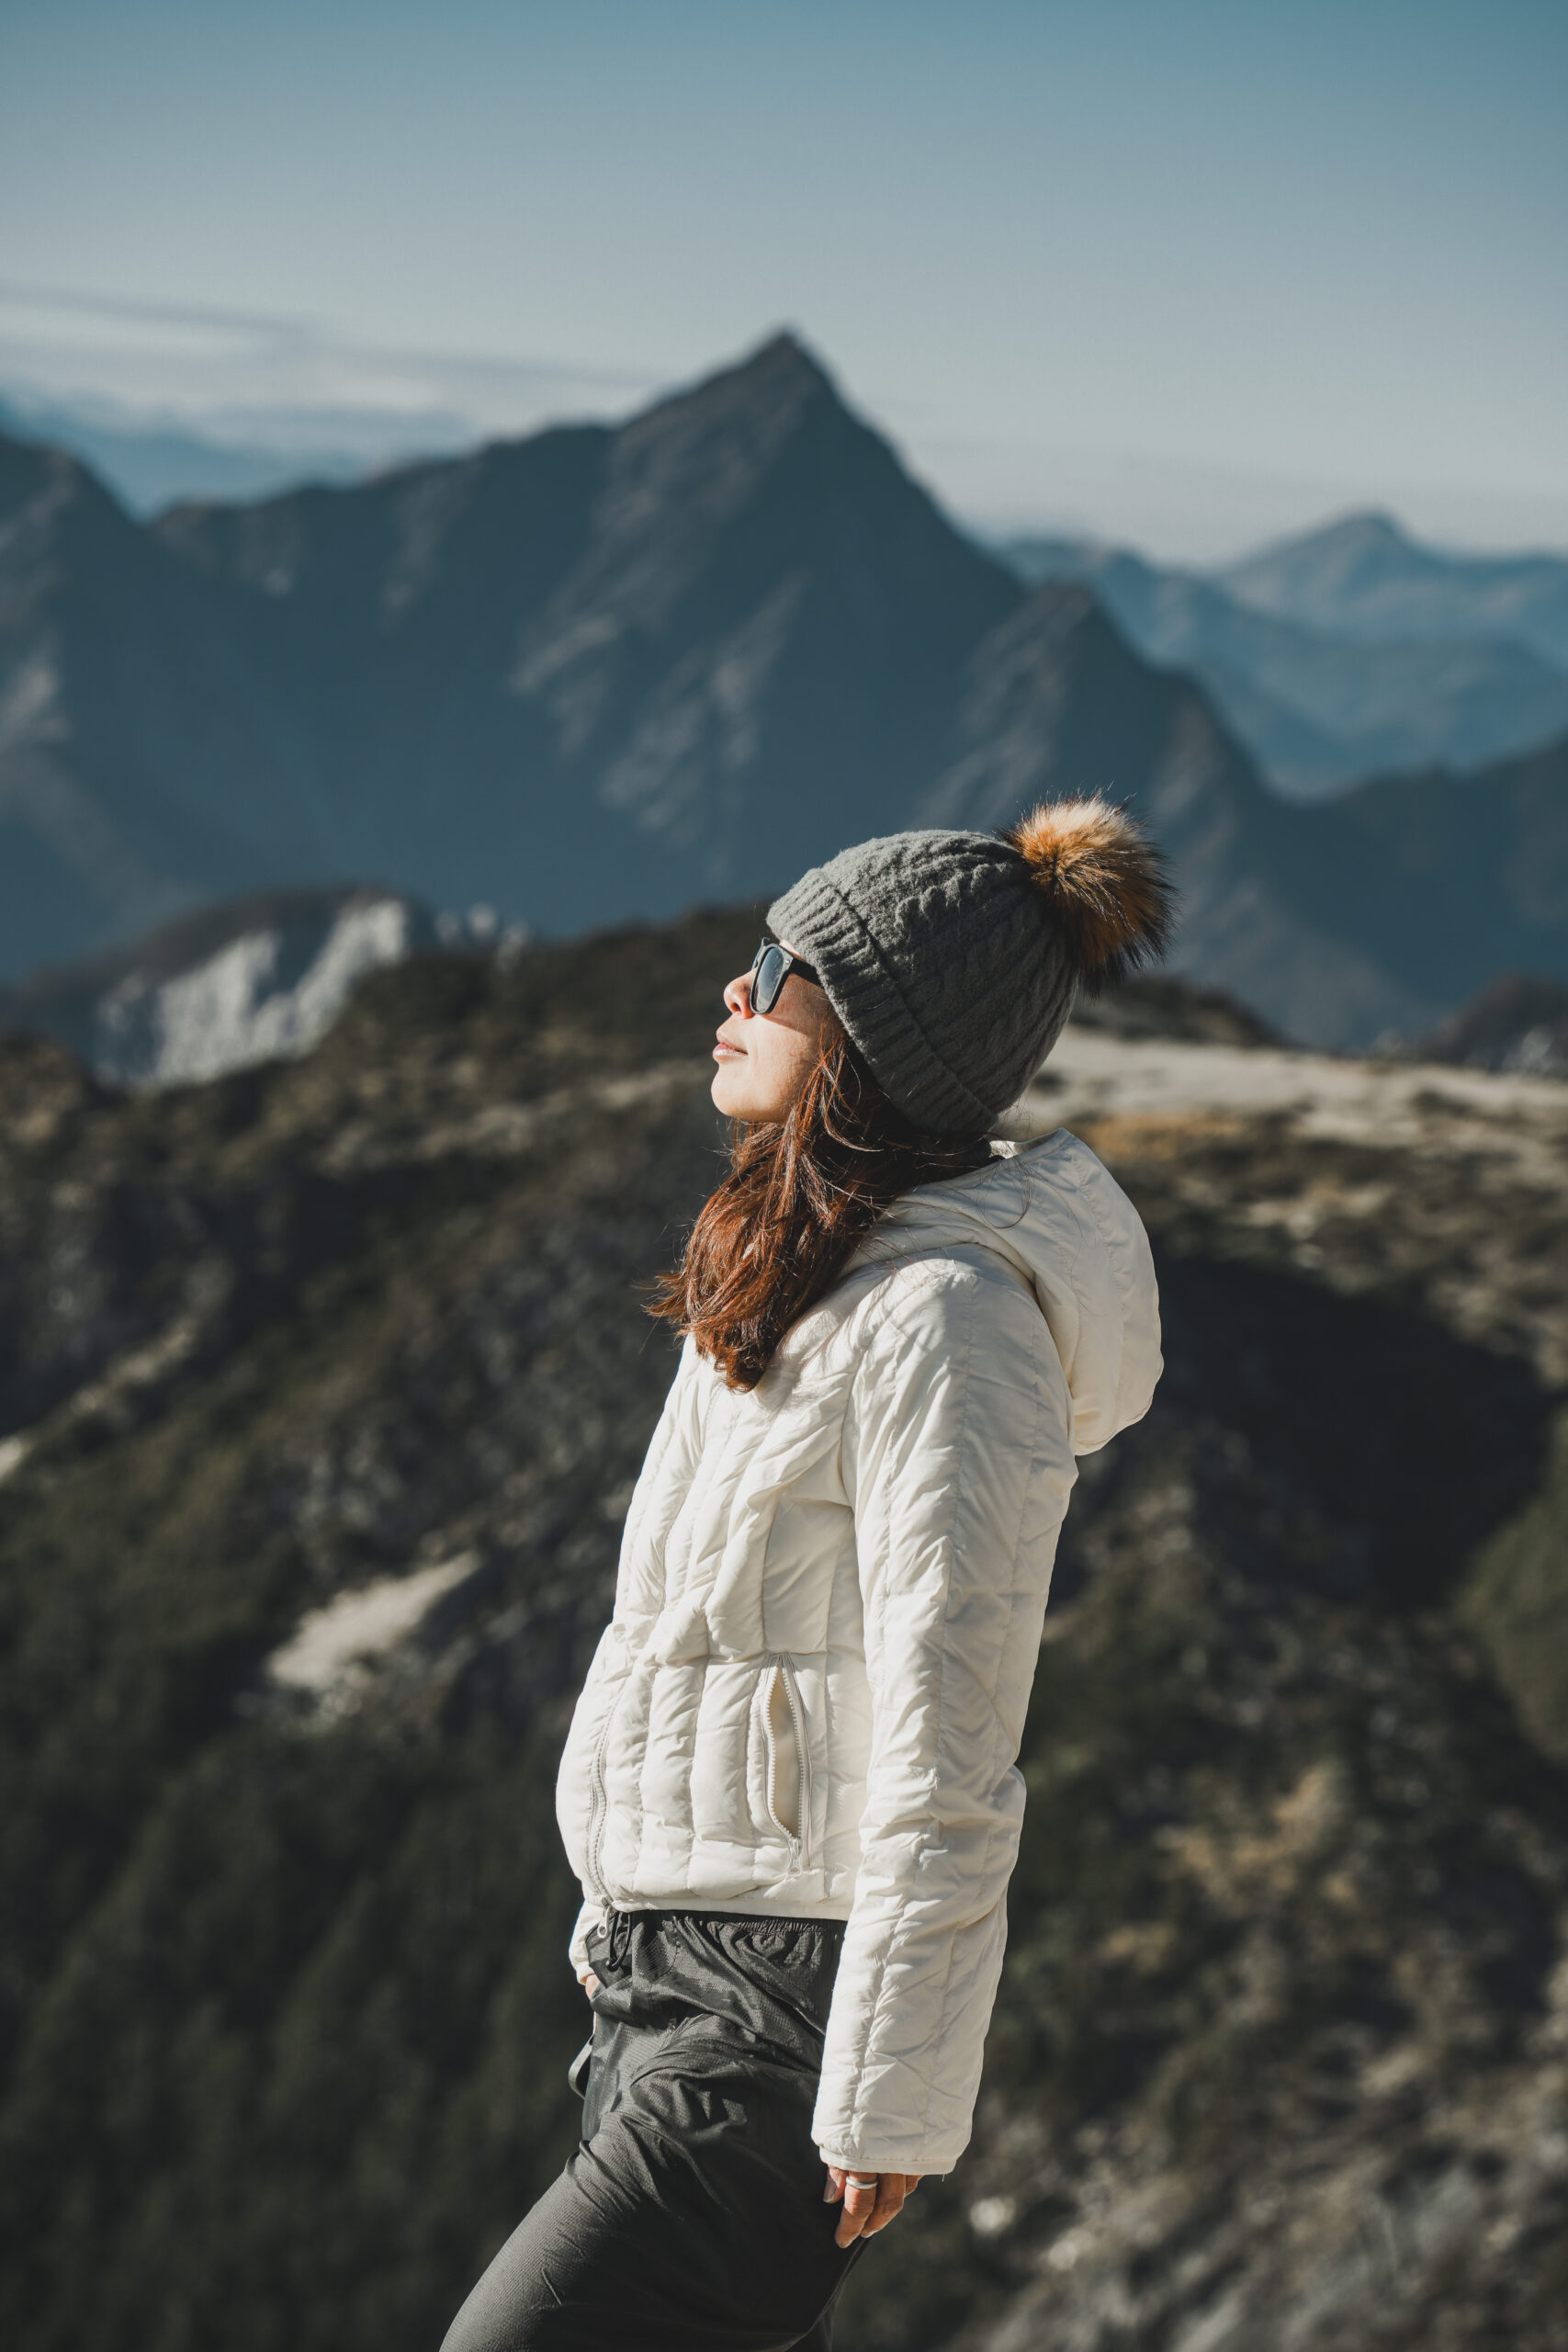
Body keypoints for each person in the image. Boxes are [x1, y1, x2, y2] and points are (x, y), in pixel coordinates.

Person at [441, 800, 1171, 2351]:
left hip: (777, 2021)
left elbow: (952, 1729)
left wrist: (892, 2088)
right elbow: (676, 1645)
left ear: (873, 1033)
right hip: (664, 1988)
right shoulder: (794, 1275)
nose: (733, 989)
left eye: (778, 966)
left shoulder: (950, 1327)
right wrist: (612, 1913)